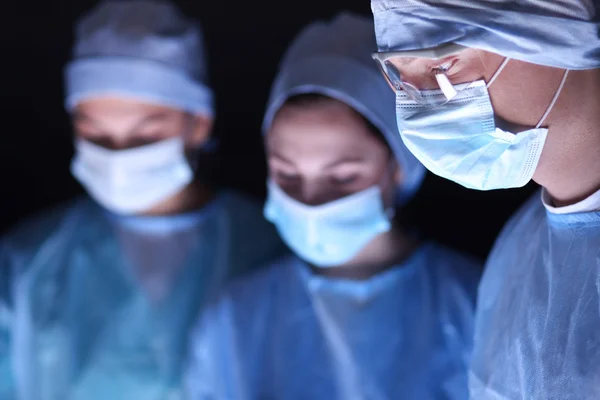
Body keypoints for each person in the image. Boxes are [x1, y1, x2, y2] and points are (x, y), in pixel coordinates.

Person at [184, 13, 481, 400]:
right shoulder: (234, 321)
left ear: (398, 168)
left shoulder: (472, 305)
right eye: (288, 175)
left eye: (342, 178)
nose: (311, 203)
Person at [0, 1, 283, 399]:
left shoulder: (265, 250)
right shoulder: (28, 265)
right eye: (97, 136)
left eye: (144, 137)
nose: (118, 157)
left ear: (199, 123)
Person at [369, 0, 600, 398]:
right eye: (398, 75)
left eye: (442, 68)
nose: (417, 107)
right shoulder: (520, 248)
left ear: (555, 34)